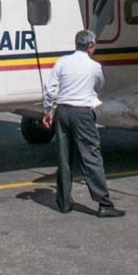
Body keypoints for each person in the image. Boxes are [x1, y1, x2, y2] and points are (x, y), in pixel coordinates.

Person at [41, 30, 124, 217]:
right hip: (83, 113)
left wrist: (48, 111)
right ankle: (104, 203)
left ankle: (63, 202)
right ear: (90, 47)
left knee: (64, 157)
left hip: (62, 111)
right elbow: (99, 86)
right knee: (91, 157)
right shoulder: (94, 67)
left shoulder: (62, 62)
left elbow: (50, 89)